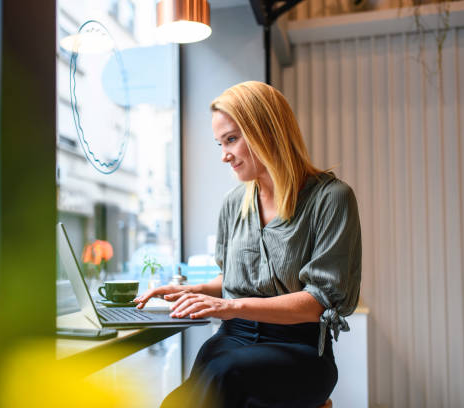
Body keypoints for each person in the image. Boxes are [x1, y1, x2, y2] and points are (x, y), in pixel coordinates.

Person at [134, 81, 361, 408]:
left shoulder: (331, 199)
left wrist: (231, 307)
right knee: (181, 398)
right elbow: (234, 280)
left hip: (299, 350)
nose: (224, 155)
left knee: (225, 376)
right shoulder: (233, 203)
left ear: (266, 131)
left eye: (231, 139)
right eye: (219, 143)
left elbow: (318, 302)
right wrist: (191, 292)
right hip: (232, 340)